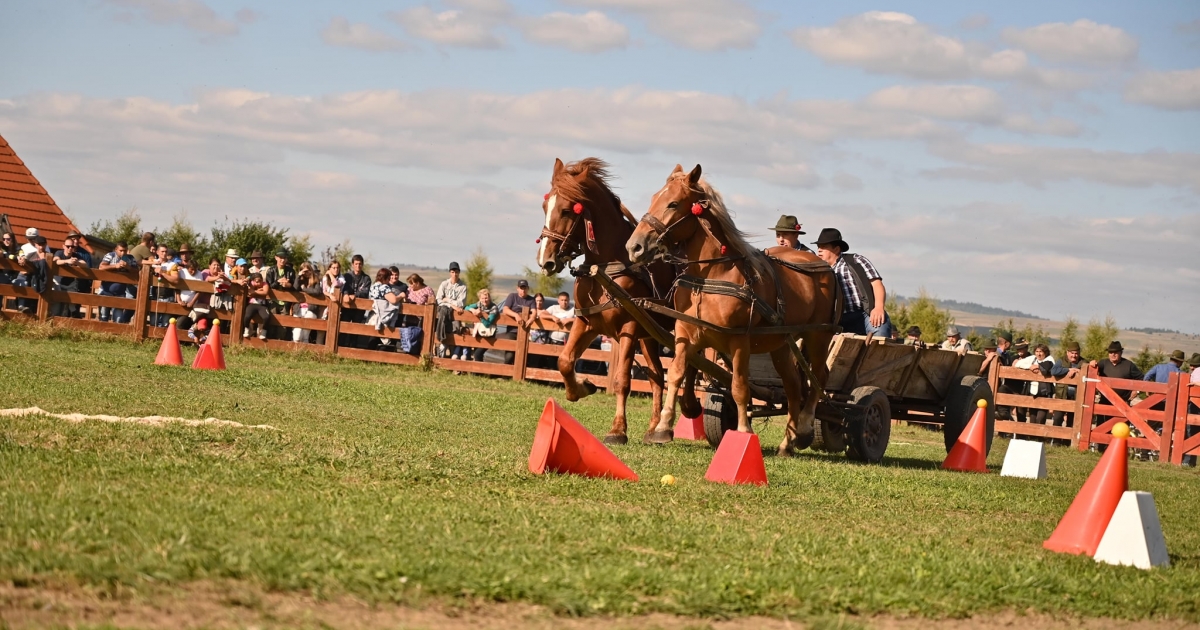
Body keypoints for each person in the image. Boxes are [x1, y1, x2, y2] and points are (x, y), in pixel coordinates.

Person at [812, 228, 891, 338]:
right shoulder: (819, 271)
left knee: (880, 334)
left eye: (824, 247)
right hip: (838, 320)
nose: (819, 250)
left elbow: (877, 284)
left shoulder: (856, 260)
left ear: (836, 249)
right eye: (818, 247)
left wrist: (878, 307)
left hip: (865, 313)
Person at [500, 279, 537, 365]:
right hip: (512, 331)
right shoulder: (512, 296)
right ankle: (505, 375)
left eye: (525, 288)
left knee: (525, 354)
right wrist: (516, 315)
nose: (523, 290)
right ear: (517, 288)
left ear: (528, 289)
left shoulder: (531, 300)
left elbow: (534, 311)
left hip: (526, 331)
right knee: (509, 354)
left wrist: (532, 318)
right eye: (521, 288)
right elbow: (505, 309)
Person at [1051, 341, 1088, 428]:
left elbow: (1089, 374)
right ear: (1067, 352)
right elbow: (1054, 371)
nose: (1074, 355)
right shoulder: (1061, 361)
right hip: (1061, 395)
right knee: (1057, 418)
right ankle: (1056, 439)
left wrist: (1079, 372)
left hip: (1077, 397)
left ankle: (1068, 441)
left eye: (1076, 353)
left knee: (1073, 420)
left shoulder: (1084, 362)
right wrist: (1069, 370)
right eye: (1072, 353)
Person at [434, 262, 467, 357]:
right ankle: (441, 344)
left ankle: (453, 356)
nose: (454, 274)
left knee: (455, 331)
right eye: (452, 272)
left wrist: (447, 300)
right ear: (450, 272)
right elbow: (439, 300)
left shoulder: (462, 287)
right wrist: (452, 305)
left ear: (459, 272)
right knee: (443, 315)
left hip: (455, 313)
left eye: (456, 272)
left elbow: (461, 303)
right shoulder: (444, 284)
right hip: (445, 311)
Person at [339, 254, 372, 348]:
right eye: (356, 264)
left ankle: (353, 351)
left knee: (355, 330)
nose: (358, 266)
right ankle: (340, 349)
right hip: (347, 307)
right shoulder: (347, 276)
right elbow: (344, 287)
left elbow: (365, 292)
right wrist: (345, 294)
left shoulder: (366, 278)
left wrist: (355, 295)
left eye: (360, 264)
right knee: (343, 328)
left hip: (359, 309)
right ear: (352, 264)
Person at [51, 236, 89, 318]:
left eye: (72, 246)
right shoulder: (59, 253)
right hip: (58, 284)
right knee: (56, 307)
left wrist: (77, 262)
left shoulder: (76, 255)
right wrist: (66, 261)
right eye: (68, 246)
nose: (70, 248)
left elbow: (85, 264)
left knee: (70, 307)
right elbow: (55, 261)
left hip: (70, 285)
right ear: (63, 246)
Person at [368, 268, 406, 347]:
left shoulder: (373, 286)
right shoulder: (384, 287)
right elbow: (393, 300)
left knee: (373, 337)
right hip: (383, 315)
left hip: (373, 315)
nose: (389, 281)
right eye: (388, 278)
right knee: (386, 339)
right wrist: (401, 295)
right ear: (385, 278)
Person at [462, 288, 501, 362]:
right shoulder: (479, 304)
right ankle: (477, 372)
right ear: (480, 298)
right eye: (482, 298)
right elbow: (466, 307)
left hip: (488, 334)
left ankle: (476, 372)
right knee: (477, 353)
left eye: (486, 298)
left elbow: (488, 324)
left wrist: (480, 316)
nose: (484, 300)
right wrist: (473, 310)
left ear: (489, 297)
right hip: (479, 332)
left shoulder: (494, 308)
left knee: (477, 353)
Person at [243, 272, 271, 340]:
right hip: (252, 304)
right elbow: (250, 292)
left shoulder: (265, 284)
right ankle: (246, 329)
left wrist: (255, 291)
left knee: (266, 317)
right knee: (247, 316)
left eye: (260, 280)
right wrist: (258, 290)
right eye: (257, 281)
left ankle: (264, 331)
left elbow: (265, 292)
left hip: (262, 305)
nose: (259, 283)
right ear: (253, 281)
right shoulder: (251, 284)